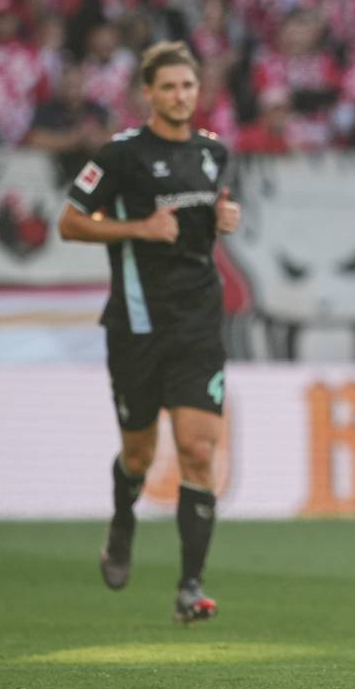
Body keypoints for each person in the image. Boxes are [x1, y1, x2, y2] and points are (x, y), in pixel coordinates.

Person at [57, 41, 240, 624]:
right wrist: (139, 227)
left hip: (198, 322)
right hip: (137, 325)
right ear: (149, 94)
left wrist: (223, 220)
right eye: (168, 87)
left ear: (198, 91)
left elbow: (205, 223)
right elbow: (69, 223)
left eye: (188, 86)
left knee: (197, 448)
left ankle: (190, 586)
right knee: (138, 454)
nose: (180, 96)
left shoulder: (215, 154)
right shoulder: (121, 156)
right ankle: (122, 521)